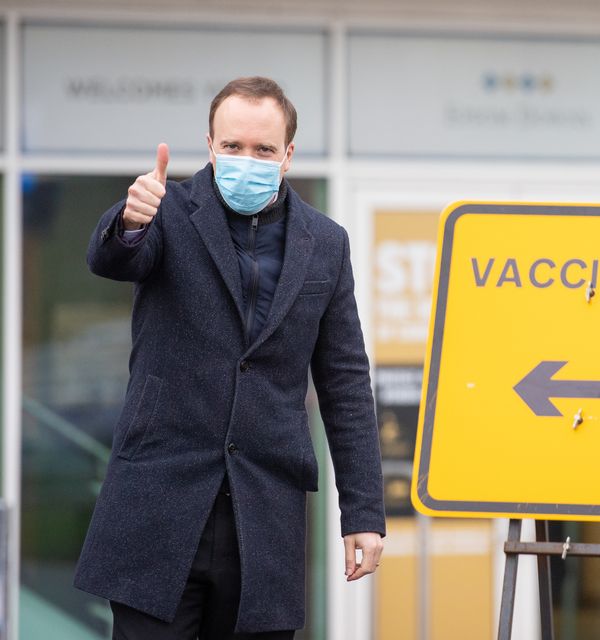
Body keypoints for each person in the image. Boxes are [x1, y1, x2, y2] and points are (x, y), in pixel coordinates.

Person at [74, 76, 385, 639]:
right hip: (157, 507)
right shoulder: (166, 214)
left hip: (264, 518)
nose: (248, 158)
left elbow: (344, 382)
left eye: (264, 149)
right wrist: (128, 221)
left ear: (287, 155)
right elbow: (114, 259)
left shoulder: (327, 242)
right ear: (210, 146)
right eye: (233, 146)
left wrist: (363, 512)